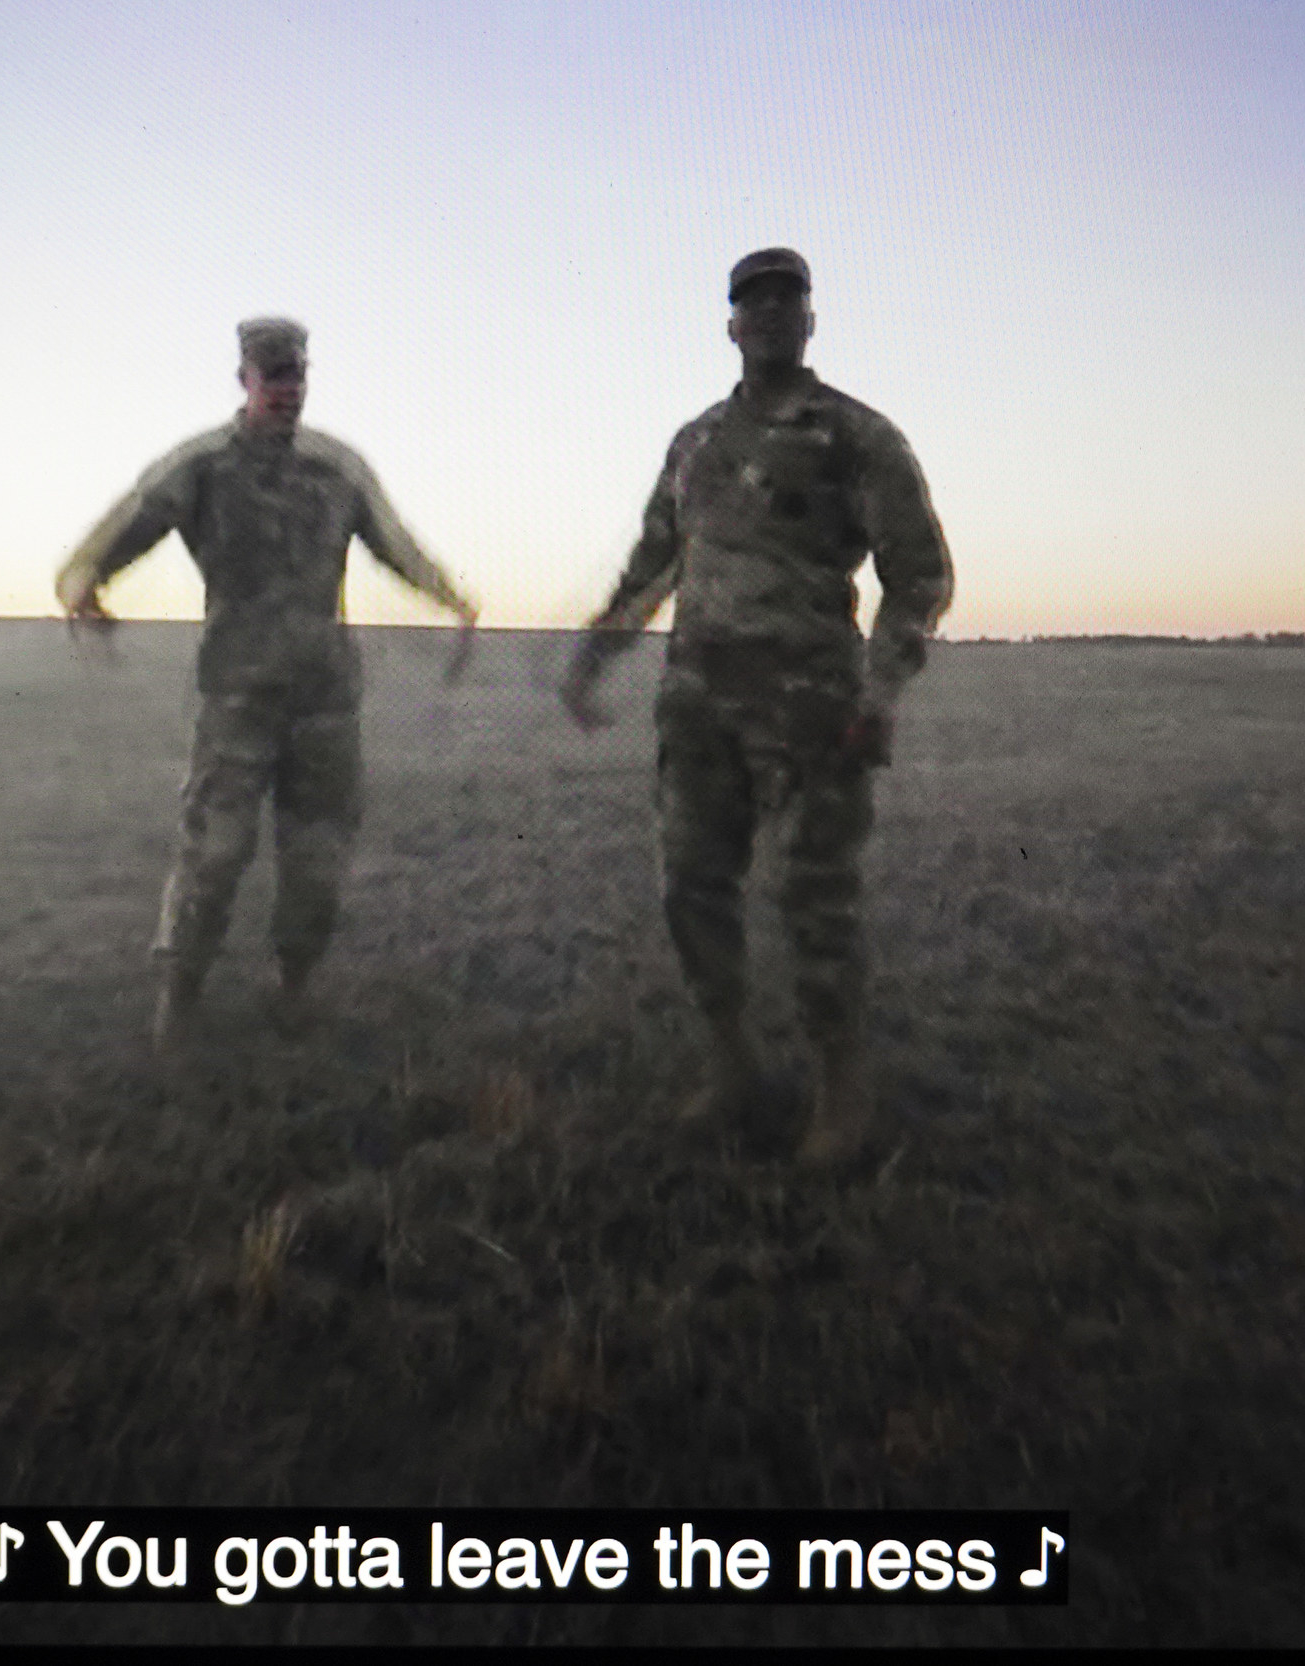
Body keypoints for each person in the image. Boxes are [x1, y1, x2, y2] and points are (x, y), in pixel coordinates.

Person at [558, 249, 954, 1166]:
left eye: (789, 300)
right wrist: (592, 659)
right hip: (697, 704)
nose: (772, 314)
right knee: (690, 891)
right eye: (753, 302)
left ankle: (840, 1093)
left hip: (814, 708)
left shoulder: (856, 436)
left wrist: (881, 687)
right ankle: (733, 1068)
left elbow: (921, 574)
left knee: (812, 901)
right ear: (730, 325)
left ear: (811, 321)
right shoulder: (695, 443)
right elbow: (651, 566)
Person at [57, 317, 479, 1049]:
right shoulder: (202, 467)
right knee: (214, 854)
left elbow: (395, 543)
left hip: (325, 702)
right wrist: (82, 588)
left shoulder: (338, 467)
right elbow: (112, 536)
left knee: (317, 862)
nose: (287, 390)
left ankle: (295, 989)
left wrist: (453, 601)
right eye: (272, 375)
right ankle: (179, 1000)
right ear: (244, 379)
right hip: (236, 700)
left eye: (297, 376)